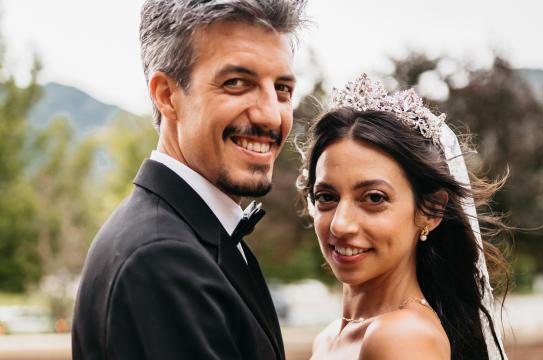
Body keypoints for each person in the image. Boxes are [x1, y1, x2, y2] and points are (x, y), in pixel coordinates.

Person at [72, 1, 307, 359]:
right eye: (237, 84)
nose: (271, 115)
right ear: (167, 96)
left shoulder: (187, 235)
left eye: (282, 89)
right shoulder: (162, 260)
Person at [298, 74, 509, 359]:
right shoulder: (329, 338)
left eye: (374, 198)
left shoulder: (403, 339)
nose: (340, 224)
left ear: (431, 210)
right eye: (327, 197)